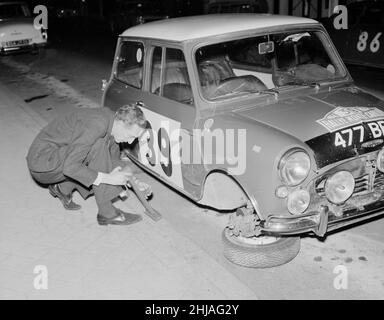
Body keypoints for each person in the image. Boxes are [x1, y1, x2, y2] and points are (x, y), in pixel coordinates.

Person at [27, 103, 152, 226]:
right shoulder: (97, 124)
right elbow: (71, 167)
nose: (130, 142)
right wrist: (109, 178)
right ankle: (107, 213)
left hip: (58, 157)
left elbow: (112, 162)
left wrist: (134, 181)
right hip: (43, 162)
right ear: (121, 123)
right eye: (130, 136)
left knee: (98, 165)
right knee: (97, 149)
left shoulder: (112, 125)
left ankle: (62, 188)